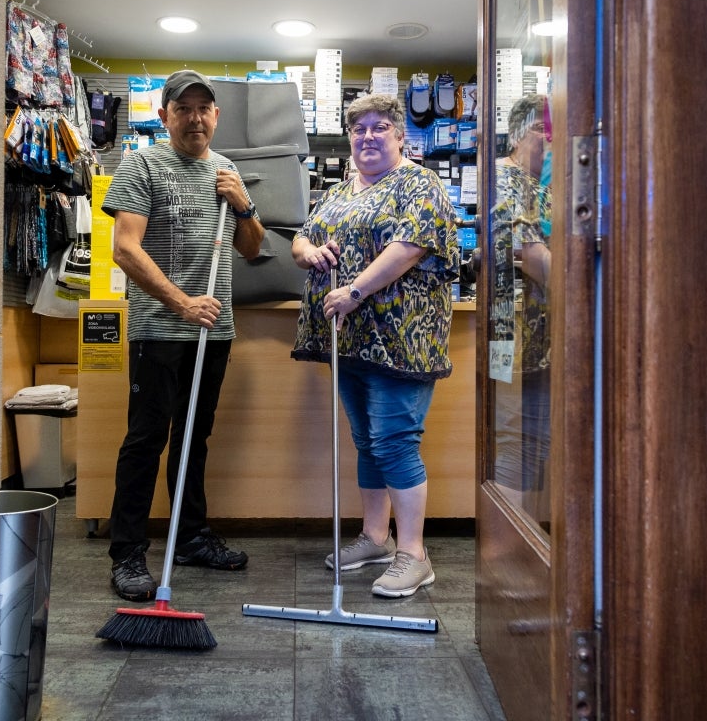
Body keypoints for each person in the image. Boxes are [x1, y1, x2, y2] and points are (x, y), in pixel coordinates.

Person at [101, 69, 265, 602]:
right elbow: (124, 249)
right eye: (184, 108)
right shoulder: (142, 164)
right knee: (147, 439)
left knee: (195, 438)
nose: (195, 117)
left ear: (215, 115)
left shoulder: (226, 168)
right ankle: (127, 553)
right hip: (160, 328)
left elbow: (251, 248)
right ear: (165, 114)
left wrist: (244, 205)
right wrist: (181, 301)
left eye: (204, 108)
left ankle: (191, 536)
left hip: (213, 332)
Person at [290, 94, 460, 598]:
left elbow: (408, 249)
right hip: (350, 341)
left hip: (402, 340)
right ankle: (375, 537)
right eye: (359, 128)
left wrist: (355, 290)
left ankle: (415, 555)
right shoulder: (340, 192)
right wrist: (310, 252)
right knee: (367, 442)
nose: (368, 136)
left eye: (380, 127)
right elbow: (301, 239)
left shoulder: (420, 184)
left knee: (394, 441)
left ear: (400, 135)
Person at [493, 94, 552, 516]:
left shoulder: (549, 186)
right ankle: (504, 552)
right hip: (511, 332)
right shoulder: (503, 176)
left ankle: (523, 546)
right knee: (515, 437)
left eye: (554, 130)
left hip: (547, 338)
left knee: (537, 438)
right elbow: (531, 255)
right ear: (516, 135)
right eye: (540, 130)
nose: (549, 139)